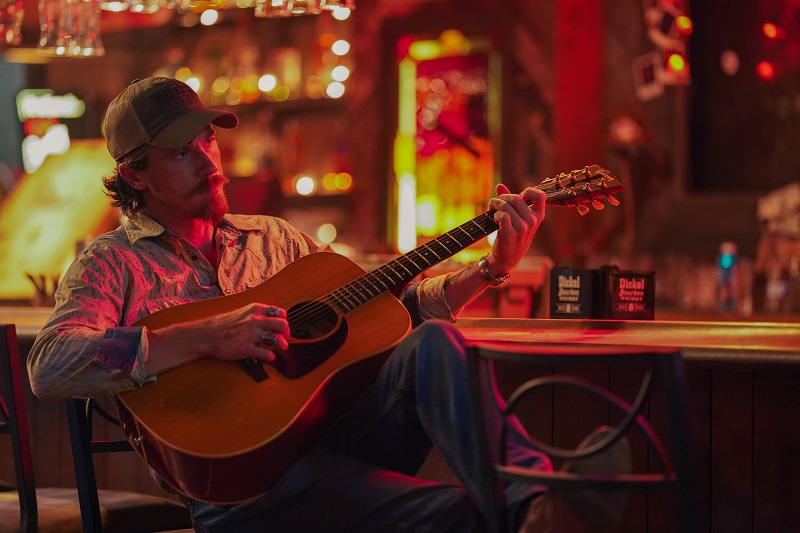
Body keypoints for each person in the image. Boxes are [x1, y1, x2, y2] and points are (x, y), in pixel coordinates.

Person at [27, 77, 628, 532]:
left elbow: (391, 307)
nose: (209, 161)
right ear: (135, 176)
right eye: (182, 152)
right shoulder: (112, 264)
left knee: (432, 342)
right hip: (242, 491)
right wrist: (205, 336)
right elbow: (51, 364)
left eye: (208, 140)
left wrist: (491, 267)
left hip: (334, 440)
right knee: (461, 514)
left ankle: (537, 495)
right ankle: (543, 512)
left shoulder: (275, 240)